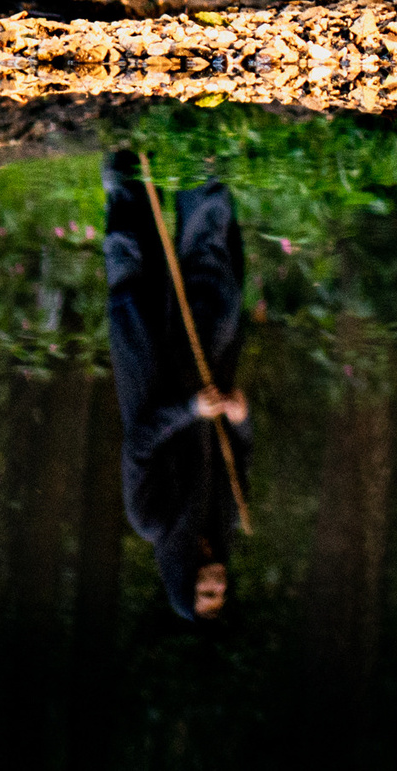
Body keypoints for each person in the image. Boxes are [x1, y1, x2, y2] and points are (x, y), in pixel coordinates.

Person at [103, 149, 251, 621]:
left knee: (137, 268)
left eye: (206, 595)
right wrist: (239, 417)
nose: (218, 587)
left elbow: (139, 446)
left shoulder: (150, 521)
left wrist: (190, 411)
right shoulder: (226, 520)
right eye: (221, 594)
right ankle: (200, 159)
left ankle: (124, 158)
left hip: (154, 374)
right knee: (212, 278)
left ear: (183, 584)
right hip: (206, 372)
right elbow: (240, 453)